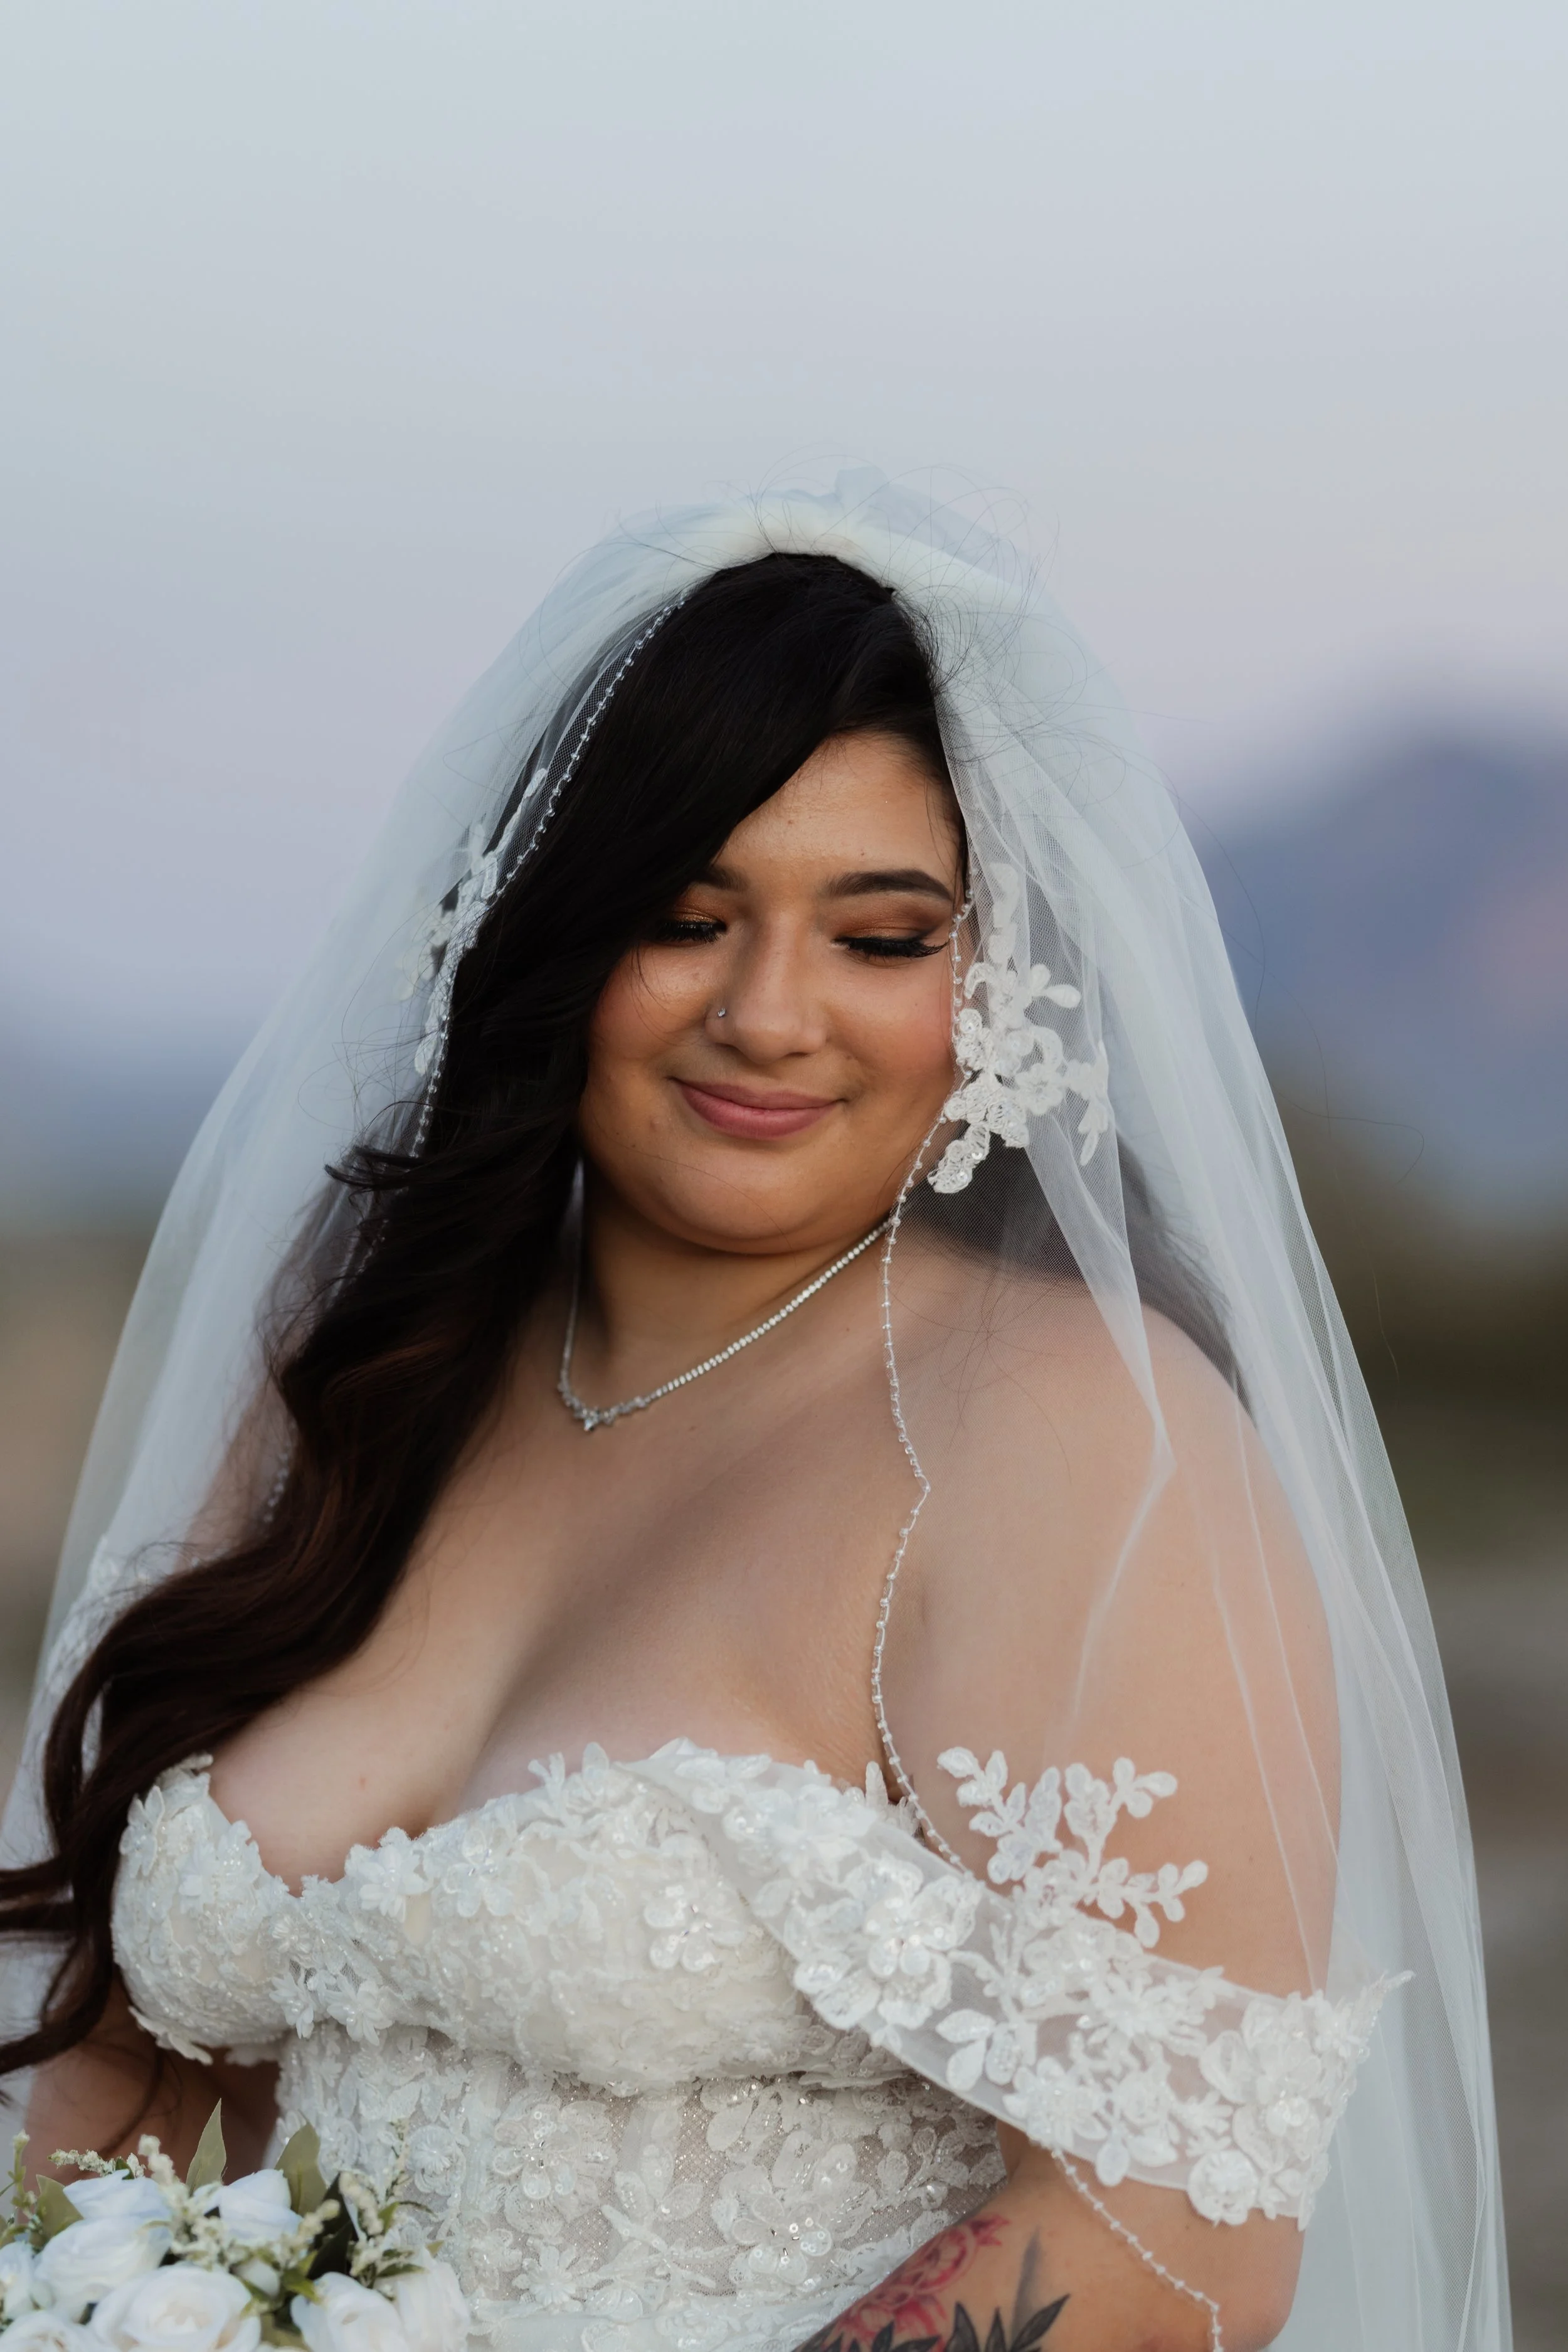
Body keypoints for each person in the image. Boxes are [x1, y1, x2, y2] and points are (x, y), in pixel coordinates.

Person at [0, 476, 1507, 2352]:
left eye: (878, 935)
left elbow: (1167, 2226)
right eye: (686, 915)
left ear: (992, 984)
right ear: (547, 941)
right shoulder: (368, 1356)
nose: (770, 1014)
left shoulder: (1068, 1433)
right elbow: (141, 2083)